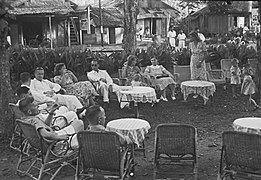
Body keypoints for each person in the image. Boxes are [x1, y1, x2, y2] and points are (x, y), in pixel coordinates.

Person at [18, 96, 84, 148]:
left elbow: (45, 126)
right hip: (54, 143)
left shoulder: (24, 120)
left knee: (77, 122)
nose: (37, 107)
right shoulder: (35, 121)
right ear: (29, 112)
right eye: (35, 106)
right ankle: (79, 152)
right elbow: (45, 134)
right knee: (80, 124)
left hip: (44, 143)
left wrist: (51, 113)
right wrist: (59, 137)